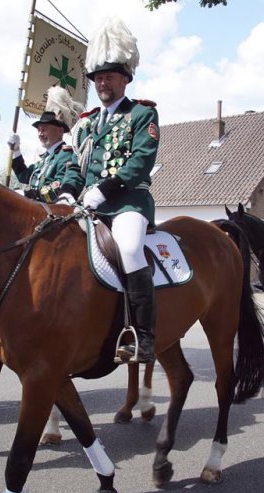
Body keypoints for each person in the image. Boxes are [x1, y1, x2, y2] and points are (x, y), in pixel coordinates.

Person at [58, 17, 158, 365]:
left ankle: (143, 337)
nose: (102, 82)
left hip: (128, 203)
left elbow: (141, 161)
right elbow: (74, 166)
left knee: (130, 249)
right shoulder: (85, 123)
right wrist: (68, 193)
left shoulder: (142, 115)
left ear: (125, 79)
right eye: (98, 77)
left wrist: (103, 190)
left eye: (110, 76)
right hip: (88, 206)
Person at [7, 86, 81, 202]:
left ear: (60, 131)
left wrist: (29, 194)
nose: (40, 134)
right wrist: (16, 150)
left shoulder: (66, 155)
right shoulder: (45, 158)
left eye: (45, 129)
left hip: (54, 212)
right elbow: (24, 176)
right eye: (39, 130)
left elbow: (59, 187)